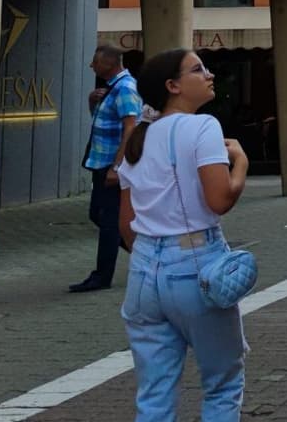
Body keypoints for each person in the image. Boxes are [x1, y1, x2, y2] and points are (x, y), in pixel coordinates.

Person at [115, 49, 249, 421]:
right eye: (197, 69)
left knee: (154, 394)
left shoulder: (139, 140)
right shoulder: (203, 127)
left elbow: (126, 224)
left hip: (143, 272)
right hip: (195, 264)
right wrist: (241, 164)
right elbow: (219, 199)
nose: (208, 74)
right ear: (173, 86)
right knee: (222, 384)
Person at [74, 45, 142, 292]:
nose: (92, 66)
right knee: (99, 215)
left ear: (110, 64)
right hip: (101, 161)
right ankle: (144, 254)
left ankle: (102, 275)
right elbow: (105, 121)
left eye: (96, 62)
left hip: (111, 164)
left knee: (109, 219)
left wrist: (117, 166)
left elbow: (130, 127)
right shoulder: (113, 87)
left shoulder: (124, 88)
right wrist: (93, 103)